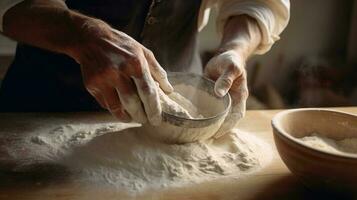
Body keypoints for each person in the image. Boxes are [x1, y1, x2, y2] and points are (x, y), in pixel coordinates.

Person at [0, 0, 289, 136]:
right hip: (43, 110)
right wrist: (84, 35)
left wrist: (234, 49)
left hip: (174, 113)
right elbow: (13, 7)